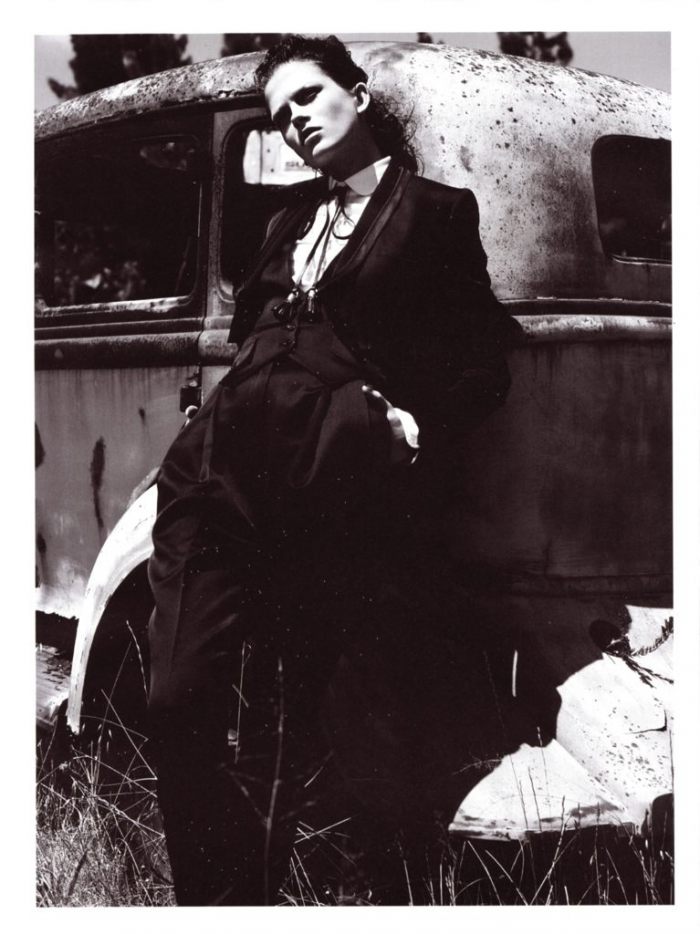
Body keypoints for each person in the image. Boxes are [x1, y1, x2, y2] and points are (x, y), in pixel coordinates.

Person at [146, 34, 523, 906]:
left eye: (309, 97)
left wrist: (414, 424)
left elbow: (483, 364)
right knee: (174, 698)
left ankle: (253, 902)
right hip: (211, 476)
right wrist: (209, 421)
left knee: (291, 721)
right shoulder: (284, 222)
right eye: (281, 114)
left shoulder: (433, 212)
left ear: (358, 92)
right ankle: (209, 900)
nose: (296, 121)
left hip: (324, 483)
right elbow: (248, 339)